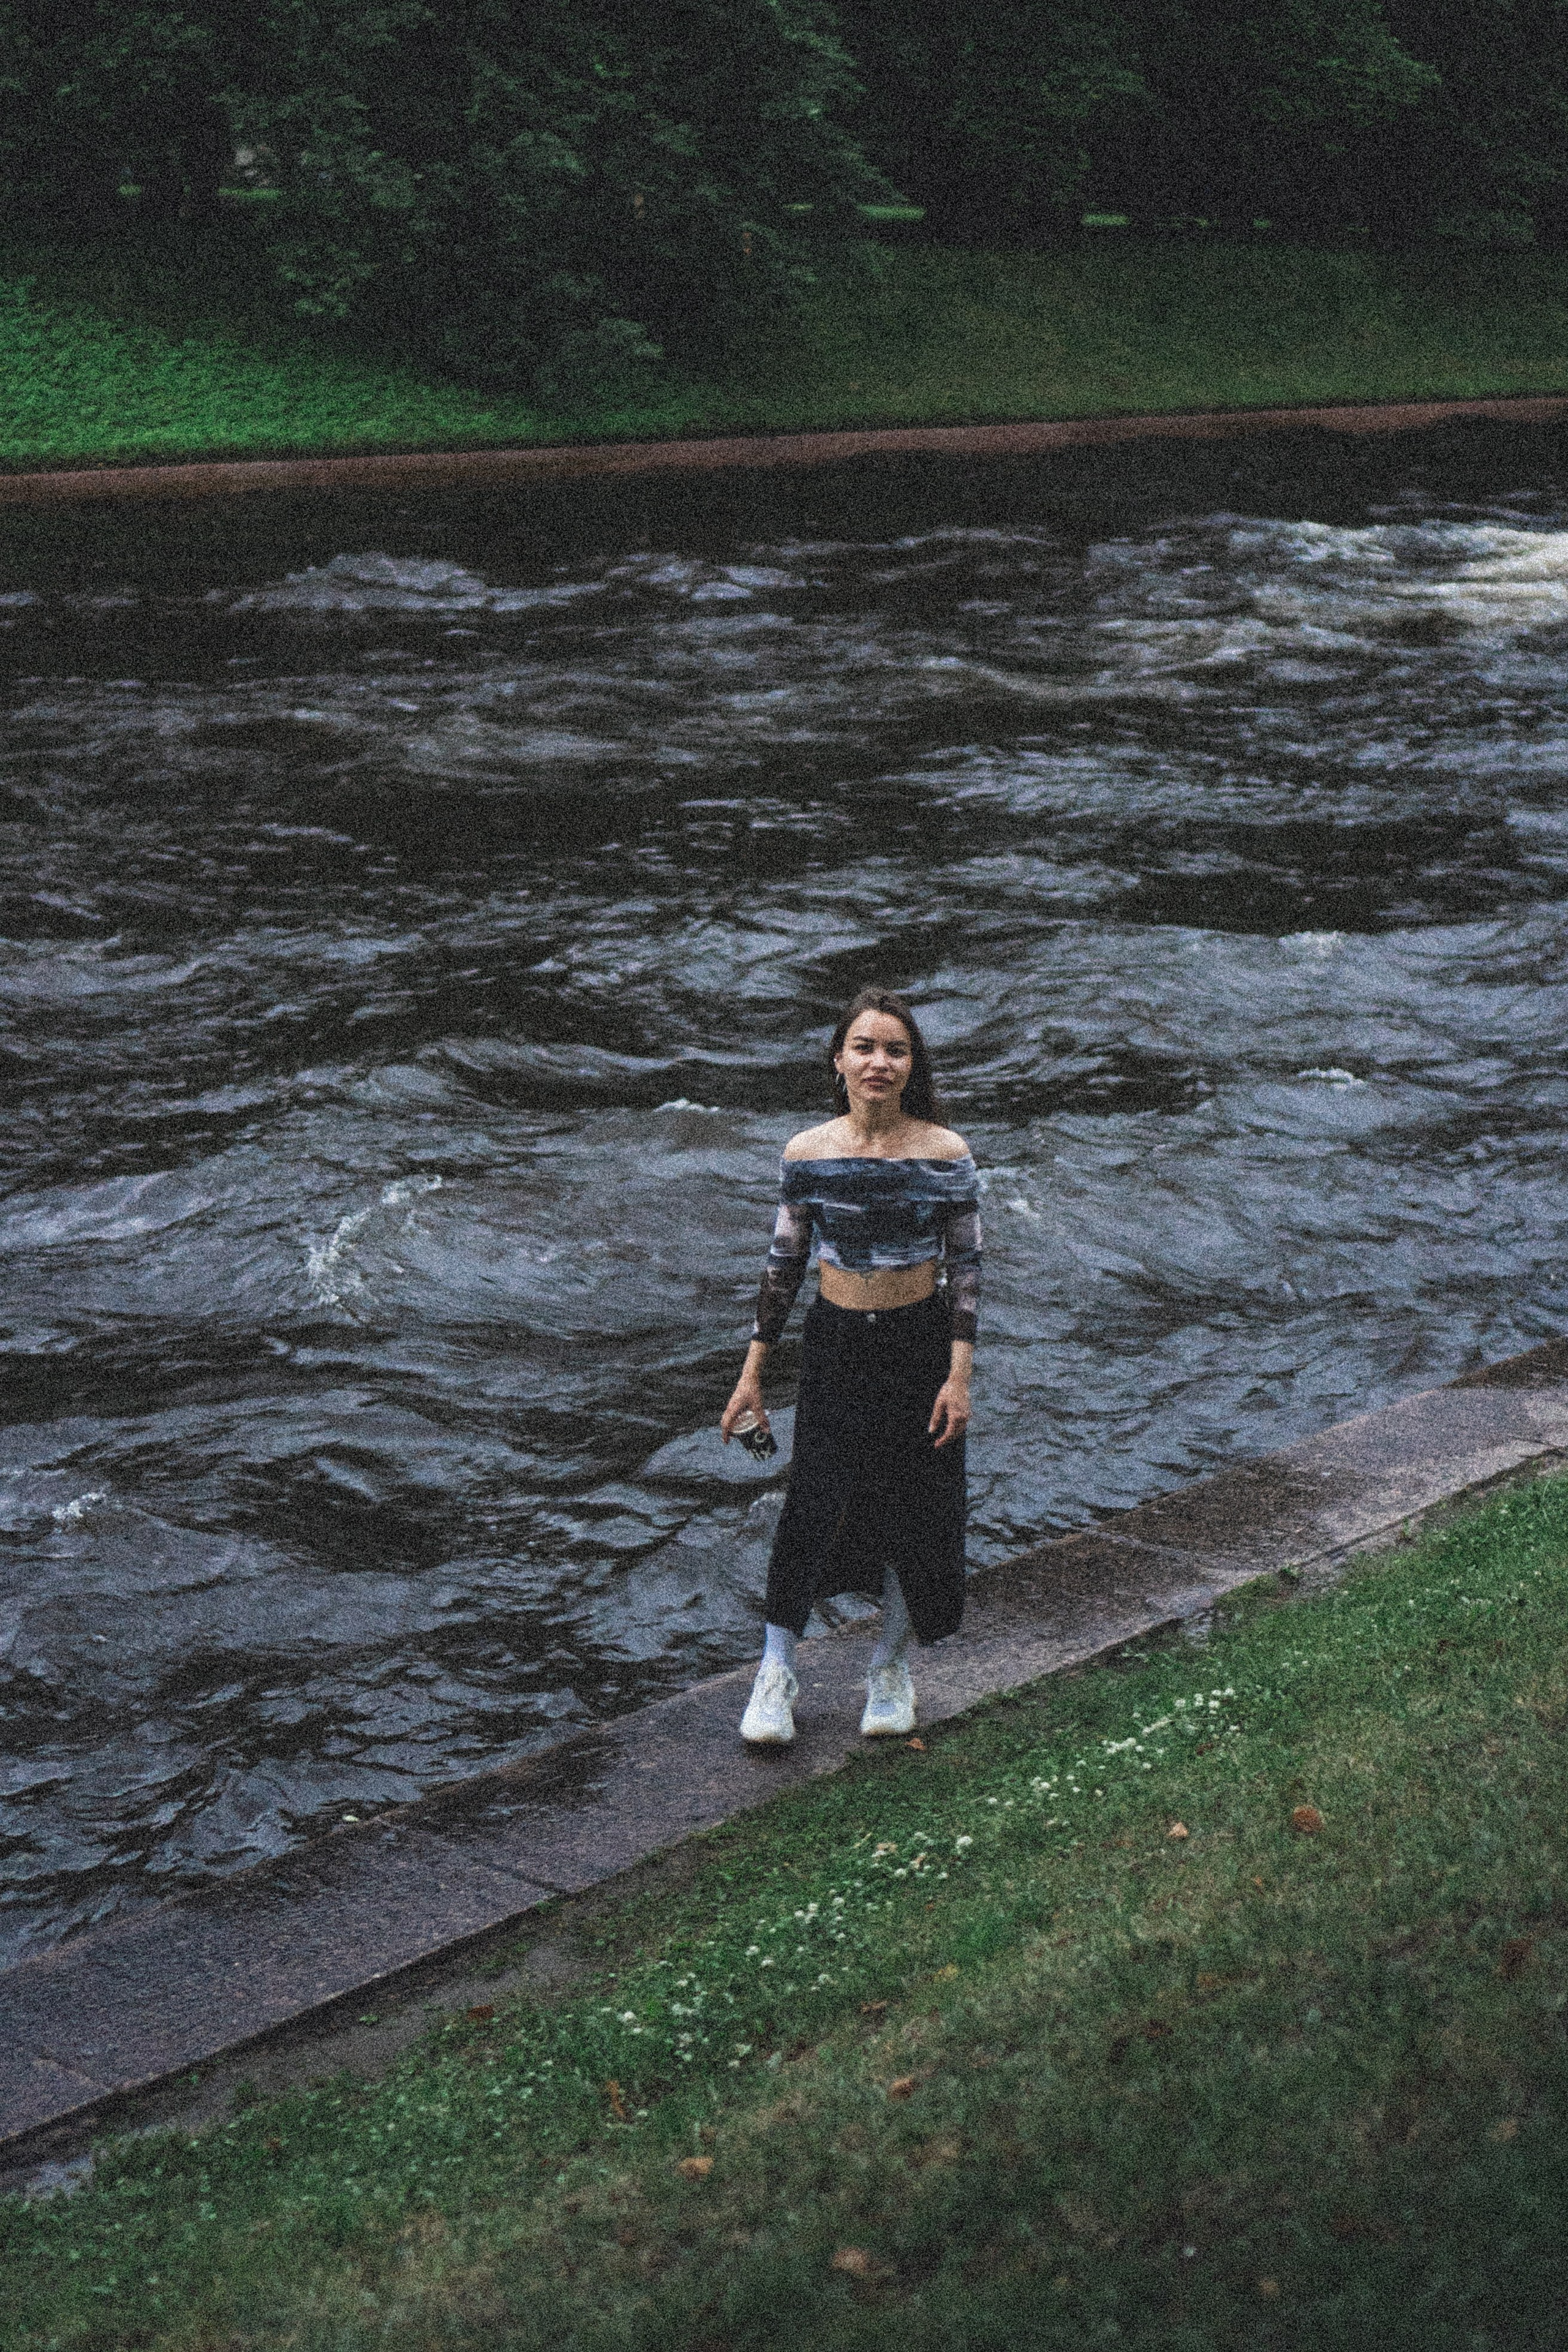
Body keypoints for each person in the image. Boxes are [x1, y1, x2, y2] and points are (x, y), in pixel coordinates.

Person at [721, 987, 981, 1746]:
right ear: (838, 1061)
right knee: (814, 1502)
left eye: (894, 1050)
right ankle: (775, 1674)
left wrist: (957, 1375)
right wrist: (751, 1376)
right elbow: (781, 1268)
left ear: (911, 1065)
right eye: (863, 1047)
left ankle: (889, 1670)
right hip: (836, 1341)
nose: (879, 1062)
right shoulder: (807, 1152)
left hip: (919, 1342)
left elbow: (966, 1271)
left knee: (917, 1506)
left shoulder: (945, 1154)